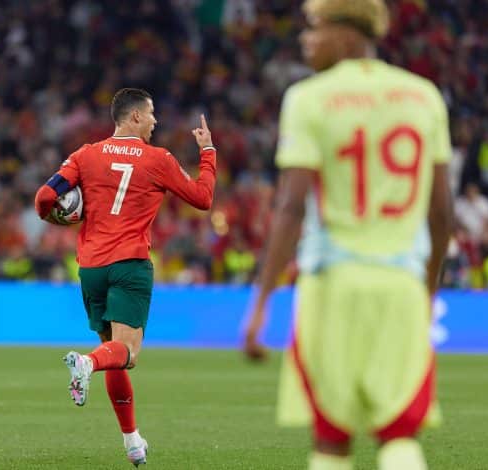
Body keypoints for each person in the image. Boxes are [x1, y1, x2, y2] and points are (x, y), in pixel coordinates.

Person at [241, 1, 453, 469]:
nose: (305, 40)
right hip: (401, 285)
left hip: (331, 285)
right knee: (400, 434)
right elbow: (441, 213)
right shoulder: (423, 96)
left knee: (332, 438)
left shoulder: (308, 98)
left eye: (314, 28)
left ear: (347, 31)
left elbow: (292, 207)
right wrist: (426, 291)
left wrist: (260, 305)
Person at [34, 88, 216, 467]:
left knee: (112, 353)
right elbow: (203, 198)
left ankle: (132, 442)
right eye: (151, 114)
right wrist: (208, 152)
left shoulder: (85, 155)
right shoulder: (158, 159)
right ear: (134, 117)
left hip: (92, 267)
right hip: (130, 264)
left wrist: (61, 217)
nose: (155, 121)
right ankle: (85, 364)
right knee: (126, 353)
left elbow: (44, 197)